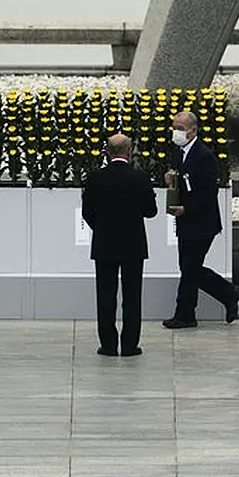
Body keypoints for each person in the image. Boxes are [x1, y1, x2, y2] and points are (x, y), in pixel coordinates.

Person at [162, 111, 239, 329]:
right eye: (174, 128)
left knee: (190, 267)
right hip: (185, 220)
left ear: (193, 130)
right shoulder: (179, 152)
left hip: (201, 222)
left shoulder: (204, 155)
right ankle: (228, 293)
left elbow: (208, 192)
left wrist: (187, 208)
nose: (176, 132)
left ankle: (185, 313)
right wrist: (171, 180)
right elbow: (182, 181)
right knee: (189, 267)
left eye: (180, 128)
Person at [81, 134, 158, 357]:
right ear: (129, 151)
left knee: (105, 296)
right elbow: (150, 212)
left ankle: (107, 344)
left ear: (107, 152)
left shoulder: (95, 178)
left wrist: (103, 228)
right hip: (133, 245)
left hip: (105, 244)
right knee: (132, 296)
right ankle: (130, 344)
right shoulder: (141, 178)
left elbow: (87, 212)